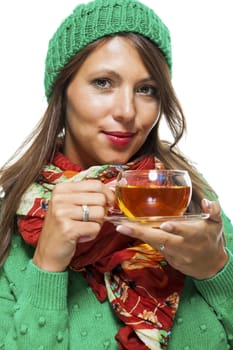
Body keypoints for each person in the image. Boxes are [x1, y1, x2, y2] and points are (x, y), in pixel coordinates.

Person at [0, 0, 232, 349]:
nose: (127, 111)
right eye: (104, 82)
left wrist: (217, 272)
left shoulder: (191, 204)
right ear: (62, 92)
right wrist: (47, 264)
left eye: (146, 89)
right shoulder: (9, 229)